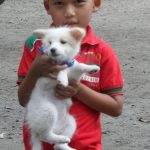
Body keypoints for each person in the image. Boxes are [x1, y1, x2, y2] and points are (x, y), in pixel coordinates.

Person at [17, 0, 124, 149]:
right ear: (48, 7)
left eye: (79, 2)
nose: (69, 12)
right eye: (59, 3)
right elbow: (23, 99)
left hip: (85, 145)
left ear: (95, 4)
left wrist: (78, 90)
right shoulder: (36, 45)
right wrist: (35, 71)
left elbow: (116, 108)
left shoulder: (102, 51)